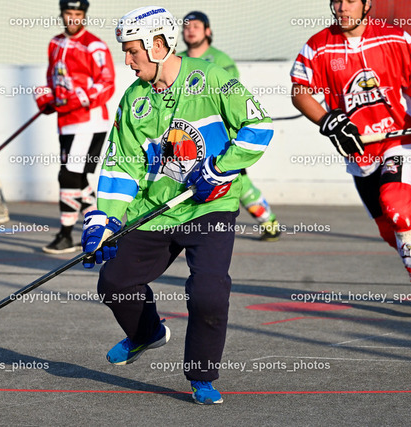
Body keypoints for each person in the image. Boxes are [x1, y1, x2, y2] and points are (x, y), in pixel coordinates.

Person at [80, 6, 273, 404]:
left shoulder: (214, 79)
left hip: (209, 207)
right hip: (155, 209)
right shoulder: (134, 100)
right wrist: (105, 219)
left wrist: (220, 169)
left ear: (156, 46)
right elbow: (121, 165)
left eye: (132, 51)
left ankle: (201, 376)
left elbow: (259, 127)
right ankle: (146, 332)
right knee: (114, 282)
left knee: (208, 292)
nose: (127, 60)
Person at [290, 0, 411, 314]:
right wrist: (328, 120)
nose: (342, 7)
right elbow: (299, 91)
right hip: (360, 149)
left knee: (397, 203)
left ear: (368, 4)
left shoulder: (394, 37)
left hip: (399, 138)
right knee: (387, 227)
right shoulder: (319, 45)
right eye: (337, 1)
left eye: (351, 1)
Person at [178, 11, 281, 241]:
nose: (190, 30)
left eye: (196, 26)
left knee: (238, 182)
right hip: (190, 135)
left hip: (221, 135)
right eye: (186, 26)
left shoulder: (221, 61)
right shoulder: (179, 60)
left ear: (208, 31)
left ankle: (268, 220)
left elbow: (232, 102)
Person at [35, 0, 115, 254]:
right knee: (77, 177)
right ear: (61, 14)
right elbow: (53, 77)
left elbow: (107, 82)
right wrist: (47, 97)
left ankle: (67, 235)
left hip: (88, 121)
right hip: (66, 122)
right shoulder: (55, 43)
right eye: (68, 13)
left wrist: (77, 99)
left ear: (84, 15)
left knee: (68, 175)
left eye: (77, 14)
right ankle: (101, 225)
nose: (72, 18)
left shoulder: (94, 45)